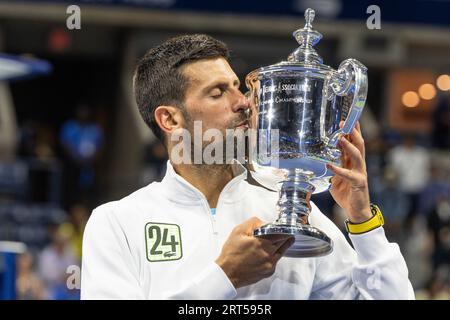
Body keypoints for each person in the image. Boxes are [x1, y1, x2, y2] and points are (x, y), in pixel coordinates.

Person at [81, 34, 414, 299]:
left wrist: (363, 222)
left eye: (238, 87)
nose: (243, 102)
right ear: (170, 119)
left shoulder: (290, 213)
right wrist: (224, 276)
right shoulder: (118, 223)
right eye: (217, 93)